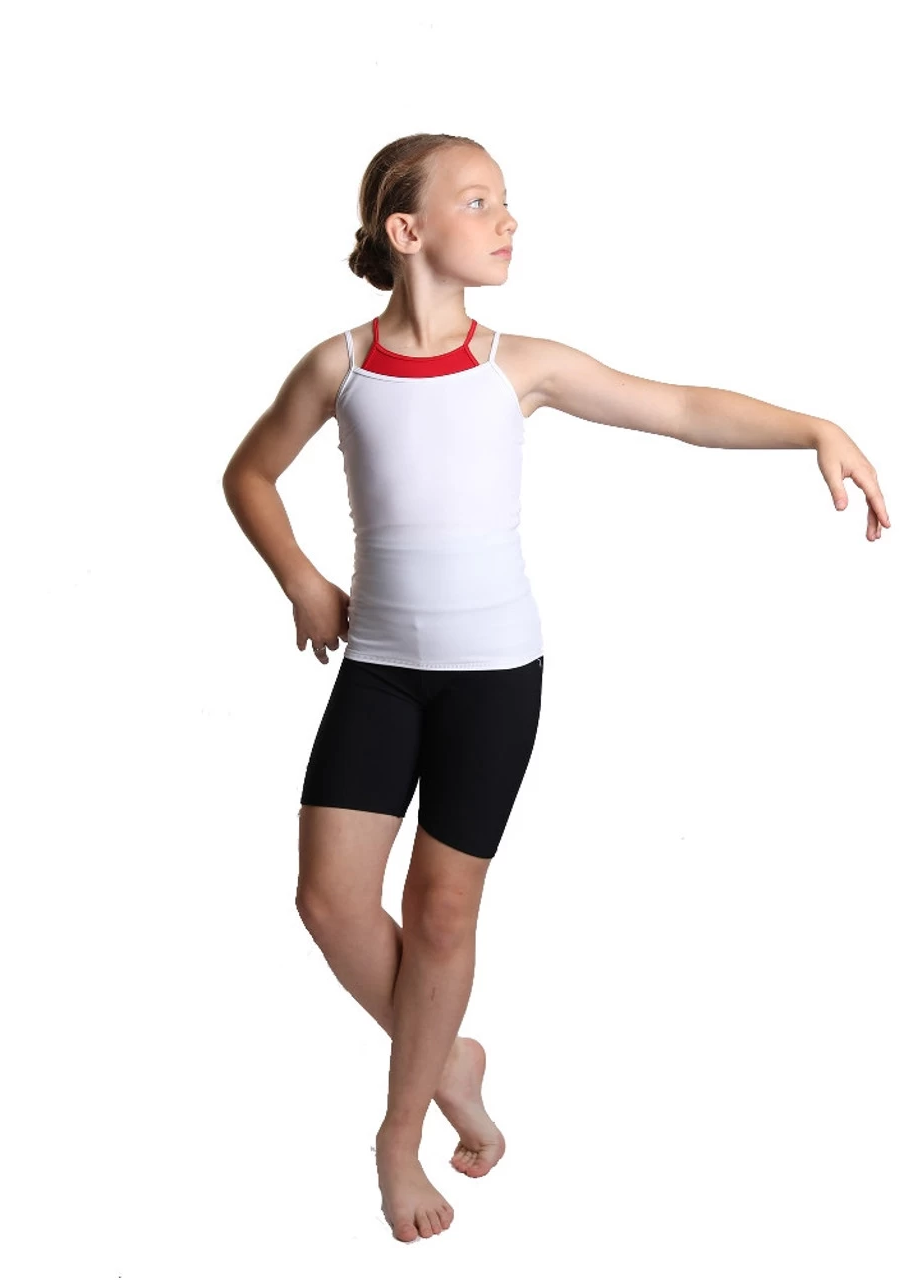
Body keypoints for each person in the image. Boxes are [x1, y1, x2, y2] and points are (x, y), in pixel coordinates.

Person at [221, 133, 891, 1244]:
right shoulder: (339, 366)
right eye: (477, 201)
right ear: (407, 232)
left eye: (505, 200)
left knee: (441, 913)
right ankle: (450, 1056)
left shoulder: (516, 364)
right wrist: (299, 576)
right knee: (328, 902)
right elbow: (248, 471)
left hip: (491, 678)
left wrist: (811, 428)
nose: (507, 219)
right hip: (380, 670)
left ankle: (401, 1128)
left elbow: (680, 408)